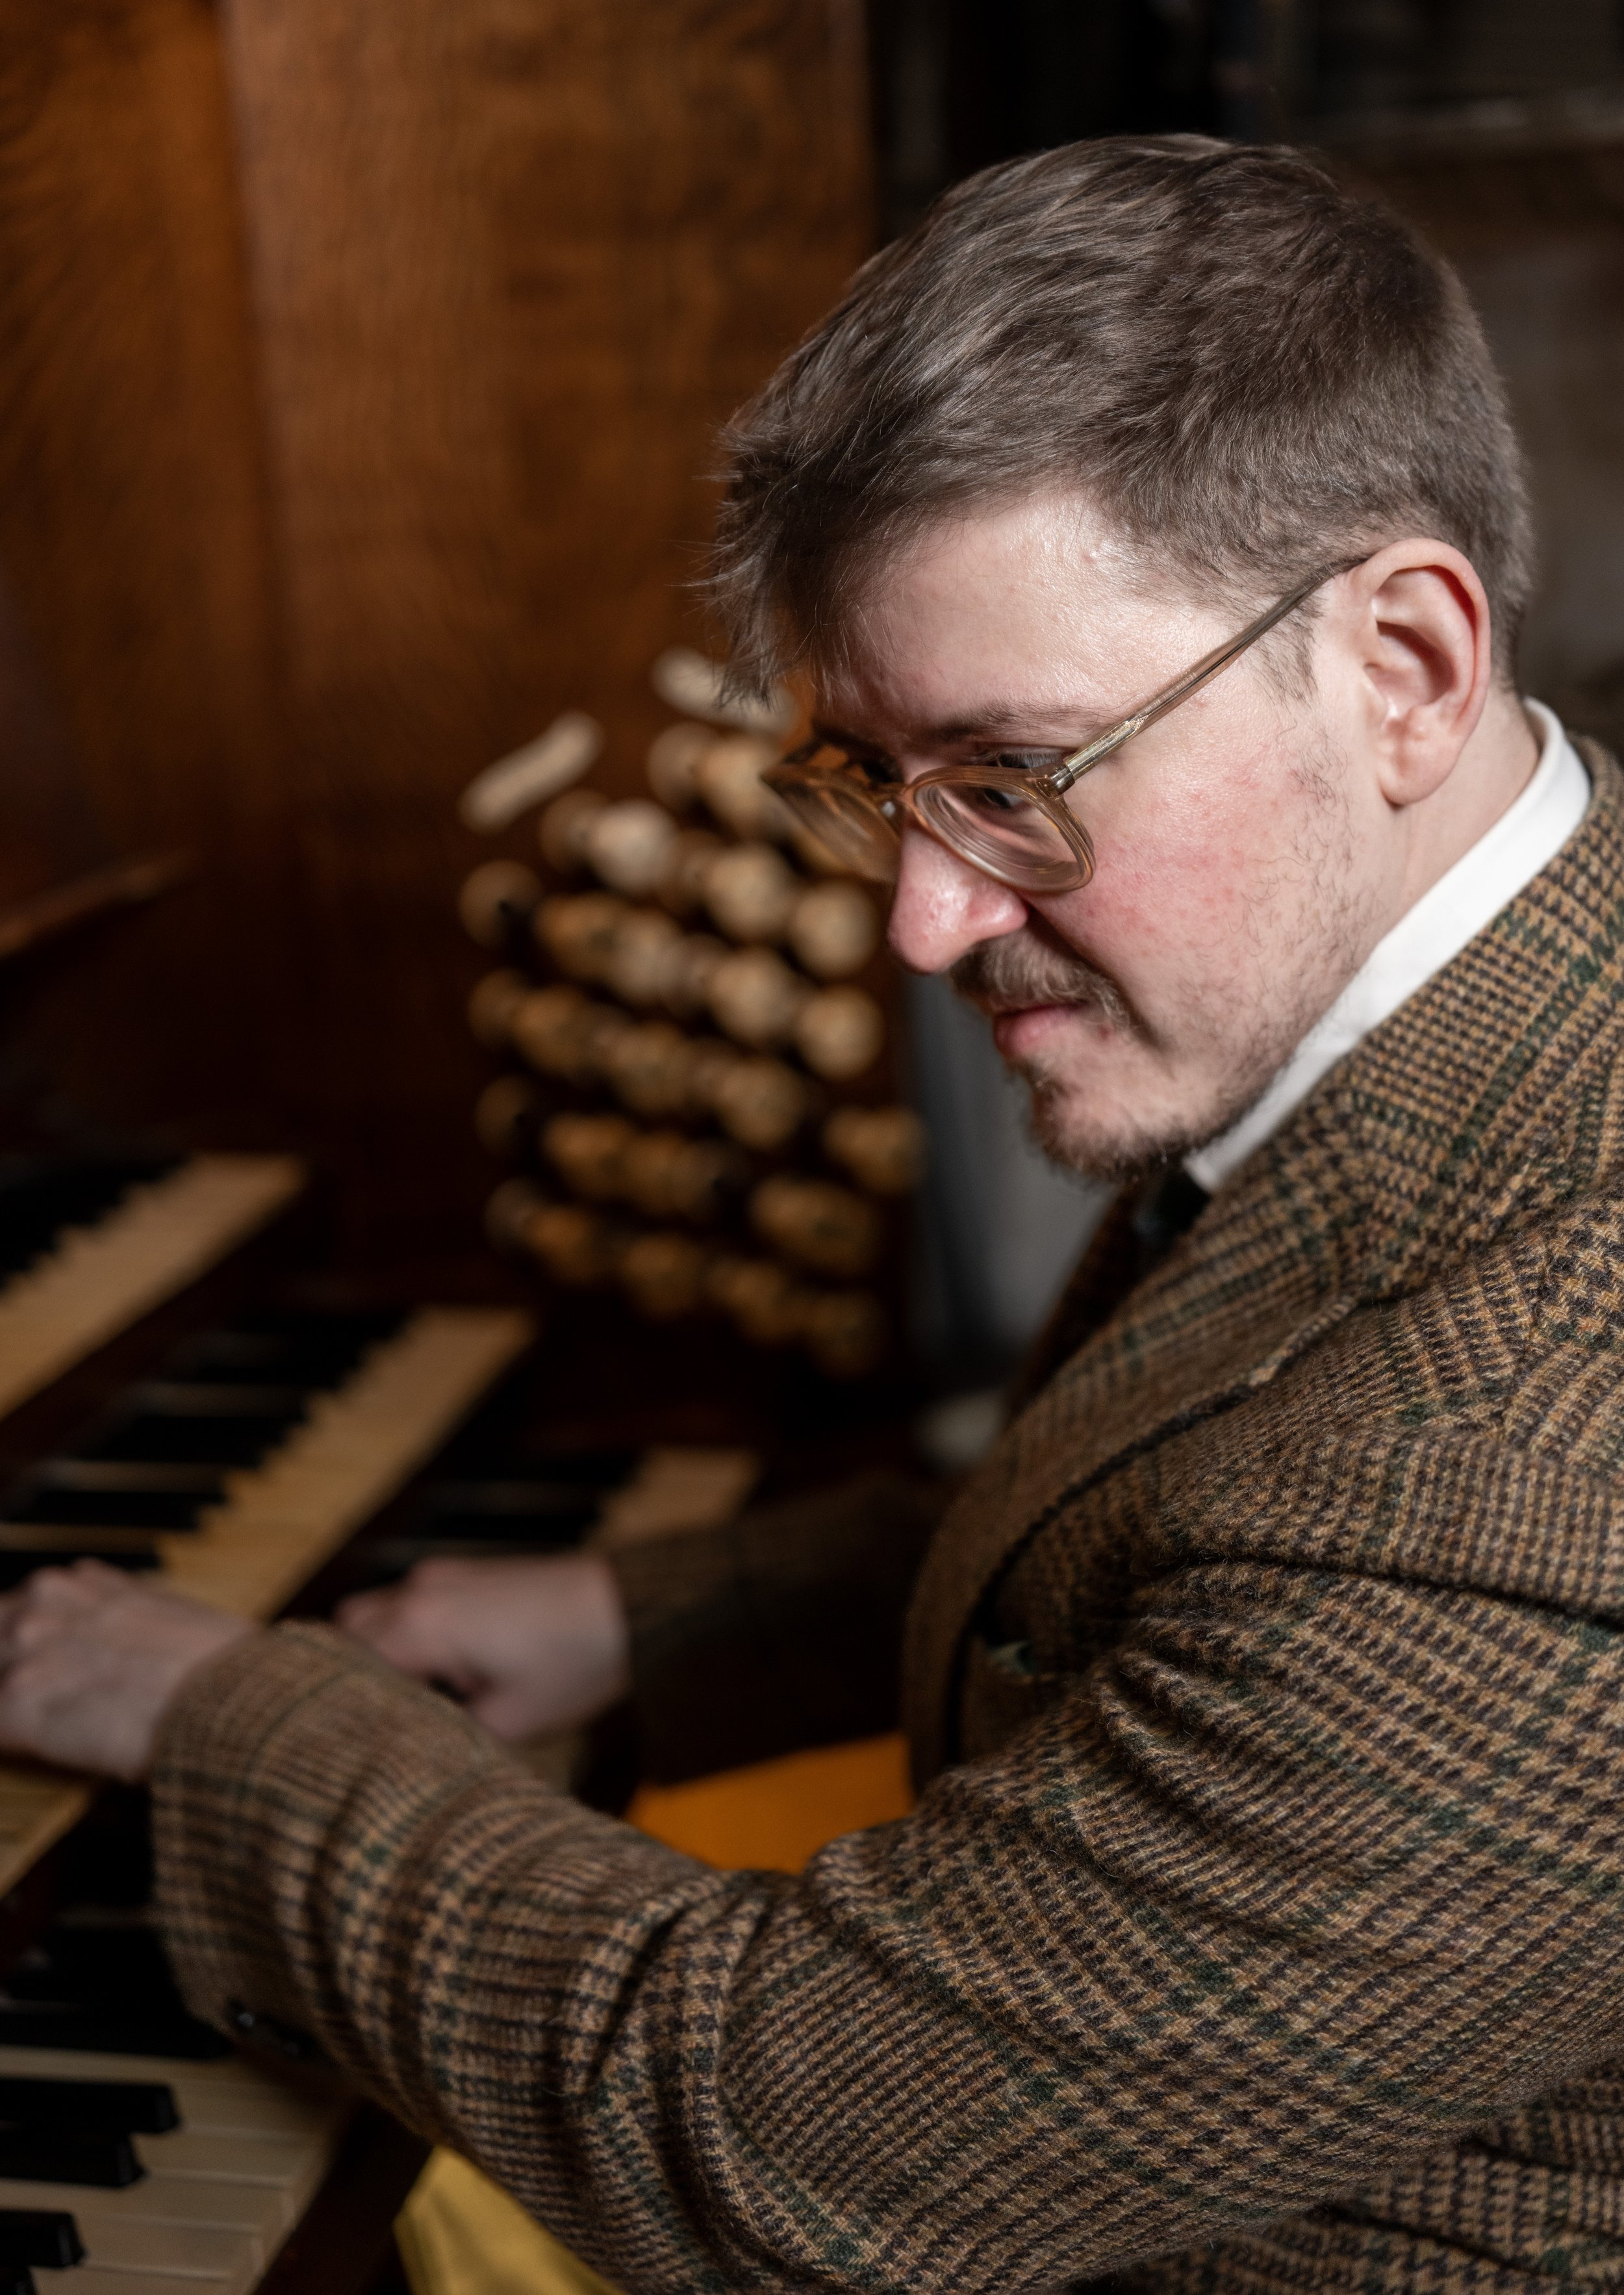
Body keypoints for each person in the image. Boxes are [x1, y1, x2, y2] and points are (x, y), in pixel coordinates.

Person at [3, 136, 1623, 2295]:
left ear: (1404, 664)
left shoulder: (1519, 1460)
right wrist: (644, 1616)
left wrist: (227, 1715)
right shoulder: (1493, 981)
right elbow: (1194, 1496)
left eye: (1009, 778)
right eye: (875, 781)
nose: (922, 920)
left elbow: (762, 2135)